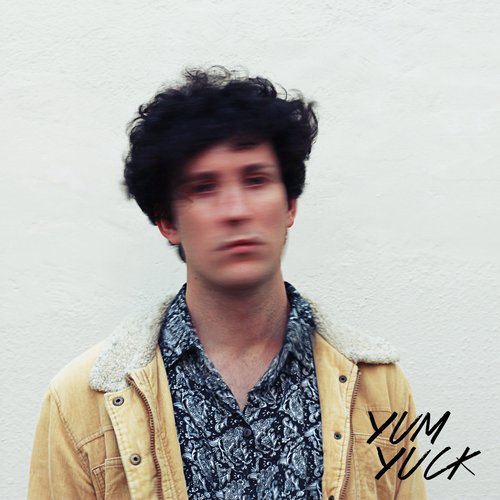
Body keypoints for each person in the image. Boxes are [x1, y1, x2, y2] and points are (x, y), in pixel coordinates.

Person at [29, 67, 427, 499]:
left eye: (256, 180)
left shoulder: (378, 385)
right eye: (204, 187)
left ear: (290, 205)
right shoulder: (80, 401)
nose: (236, 210)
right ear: (167, 221)